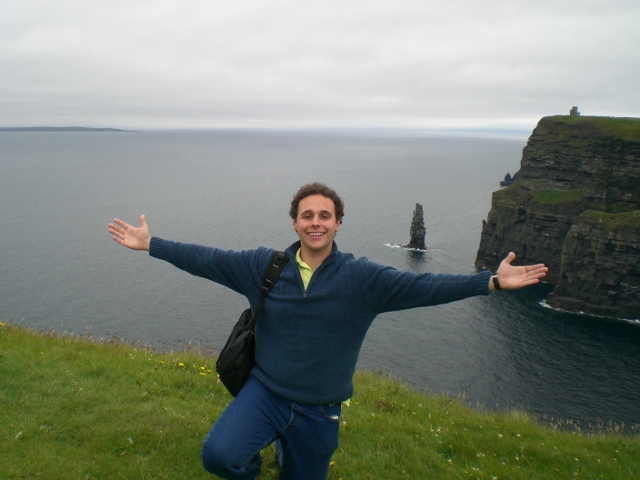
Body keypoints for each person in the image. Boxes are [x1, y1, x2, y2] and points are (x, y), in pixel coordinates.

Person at [108, 182, 547, 480]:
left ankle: (287, 454)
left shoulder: (364, 279)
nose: (315, 222)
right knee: (219, 457)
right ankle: (257, 466)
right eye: (306, 215)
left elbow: (425, 286)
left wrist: (490, 281)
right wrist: (152, 244)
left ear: (338, 223)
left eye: (325, 215)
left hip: (320, 408)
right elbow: (209, 258)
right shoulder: (265, 265)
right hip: (264, 392)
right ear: (294, 223)